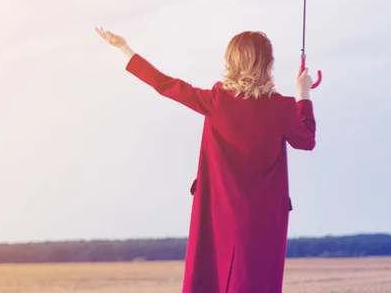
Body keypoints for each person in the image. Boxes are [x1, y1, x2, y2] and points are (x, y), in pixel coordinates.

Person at [95, 27, 316, 293]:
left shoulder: (216, 101)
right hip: (264, 219)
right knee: (257, 281)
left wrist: (124, 49)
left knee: (211, 277)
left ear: (232, 63)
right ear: (267, 64)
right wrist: (303, 93)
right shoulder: (281, 107)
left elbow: (166, 85)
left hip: (218, 213)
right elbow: (306, 140)